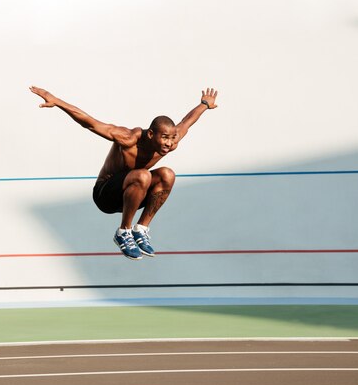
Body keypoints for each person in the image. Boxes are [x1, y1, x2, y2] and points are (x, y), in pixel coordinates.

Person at [30, 85, 218, 260]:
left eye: (171, 138)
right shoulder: (128, 139)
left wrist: (204, 105)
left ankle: (141, 228)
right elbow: (90, 123)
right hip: (106, 195)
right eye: (165, 138)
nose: (169, 144)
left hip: (133, 194)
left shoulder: (172, 140)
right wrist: (56, 101)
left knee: (167, 174)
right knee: (143, 175)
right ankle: (123, 232)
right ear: (151, 135)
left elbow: (187, 121)